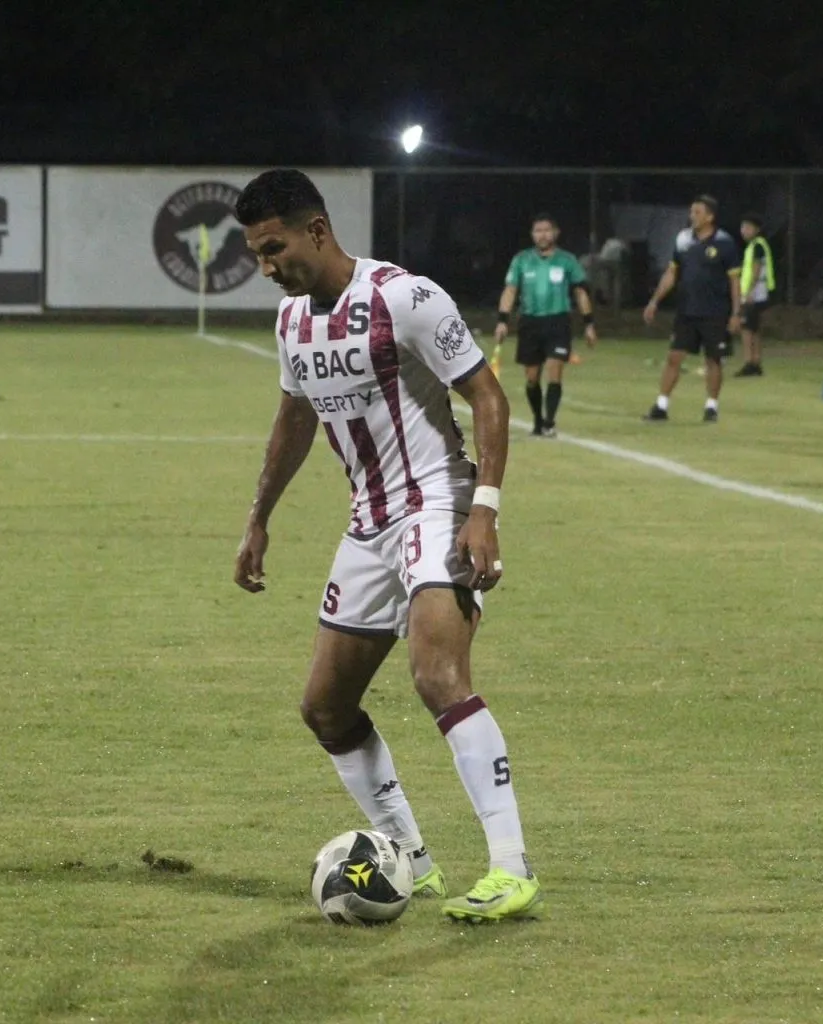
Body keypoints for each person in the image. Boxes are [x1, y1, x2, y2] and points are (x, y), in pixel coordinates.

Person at [232, 169, 543, 923]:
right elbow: (295, 420)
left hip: (437, 502)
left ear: (318, 230)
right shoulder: (291, 323)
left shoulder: (404, 297)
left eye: (275, 249)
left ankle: (511, 866)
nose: (268, 268)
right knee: (325, 707)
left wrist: (485, 512)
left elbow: (489, 396)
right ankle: (414, 859)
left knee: (437, 674)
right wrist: (259, 517)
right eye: (256, 256)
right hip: (368, 523)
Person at [493, 214, 597, 437]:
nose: (542, 234)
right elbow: (510, 290)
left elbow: (580, 292)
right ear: (532, 235)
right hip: (530, 323)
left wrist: (589, 324)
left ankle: (550, 421)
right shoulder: (522, 260)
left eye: (547, 230)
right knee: (531, 378)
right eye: (538, 231)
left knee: (554, 370)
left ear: (556, 233)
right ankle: (538, 421)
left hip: (558, 322)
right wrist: (502, 321)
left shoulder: (567, 260)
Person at [642, 195, 741, 423]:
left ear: (710, 217)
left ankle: (711, 407)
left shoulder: (725, 243)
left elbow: (734, 280)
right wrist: (655, 301)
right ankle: (661, 406)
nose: (692, 216)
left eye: (697, 212)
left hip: (716, 312)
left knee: (713, 360)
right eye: (691, 212)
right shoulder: (683, 239)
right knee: (674, 357)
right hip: (687, 311)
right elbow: (672, 272)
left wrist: (736, 312)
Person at [735, 212, 775, 377]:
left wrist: (749, 292)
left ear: (757, 229)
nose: (744, 231)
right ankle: (756, 362)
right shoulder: (759, 244)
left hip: (755, 294)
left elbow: (756, 269)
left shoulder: (757, 246)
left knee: (746, 328)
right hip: (761, 293)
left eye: (748, 227)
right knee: (755, 328)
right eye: (742, 227)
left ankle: (749, 362)